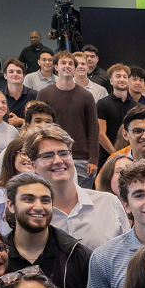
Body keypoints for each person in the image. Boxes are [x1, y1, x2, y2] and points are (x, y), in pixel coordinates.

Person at [24, 123, 128, 252]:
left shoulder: (108, 203)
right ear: (34, 166)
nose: (58, 160)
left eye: (63, 153)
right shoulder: (30, 213)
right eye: (48, 155)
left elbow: (127, 257)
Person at [2, 172, 91, 288]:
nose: (38, 207)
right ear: (10, 205)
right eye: (28, 199)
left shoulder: (76, 255)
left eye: (45, 200)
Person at [37, 52, 100, 187]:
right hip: (52, 157)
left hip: (82, 160)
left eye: (71, 63)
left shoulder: (86, 96)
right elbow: (37, 129)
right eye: (63, 63)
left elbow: (93, 129)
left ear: (75, 68)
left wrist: (94, 159)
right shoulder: (44, 94)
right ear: (56, 67)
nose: (67, 66)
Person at [2, 59, 37, 127]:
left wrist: (22, 121)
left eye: (18, 72)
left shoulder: (34, 95)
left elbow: (41, 121)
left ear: (24, 76)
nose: (15, 74)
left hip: (29, 135)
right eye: (11, 72)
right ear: (5, 75)